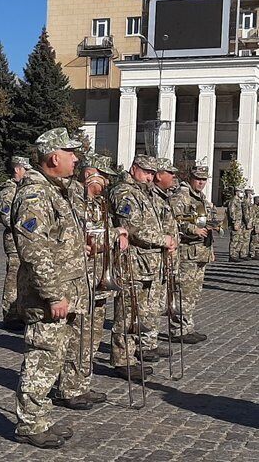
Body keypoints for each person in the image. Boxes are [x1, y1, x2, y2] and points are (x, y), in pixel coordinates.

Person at [10, 128, 85, 449]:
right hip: (46, 296)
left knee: (53, 358)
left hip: (65, 291)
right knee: (41, 357)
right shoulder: (35, 195)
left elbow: (57, 239)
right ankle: (29, 423)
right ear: (54, 158)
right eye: (71, 153)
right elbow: (34, 249)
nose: (77, 158)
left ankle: (40, 417)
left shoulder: (57, 191)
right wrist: (53, 294)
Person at [56, 152, 122, 411]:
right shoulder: (76, 199)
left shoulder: (96, 203)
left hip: (98, 276)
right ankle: (69, 386)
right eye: (103, 177)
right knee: (78, 335)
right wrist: (117, 234)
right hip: (82, 275)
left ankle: (82, 381)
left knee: (92, 335)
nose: (106, 183)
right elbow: (88, 239)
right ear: (90, 173)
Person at [108, 154, 176, 379]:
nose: (149, 177)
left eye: (152, 173)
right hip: (132, 264)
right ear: (134, 168)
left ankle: (133, 353)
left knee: (141, 314)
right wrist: (162, 239)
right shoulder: (124, 192)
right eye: (146, 172)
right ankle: (123, 359)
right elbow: (133, 227)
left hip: (148, 264)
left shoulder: (143, 193)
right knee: (127, 313)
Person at [168, 164, 215, 344]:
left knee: (193, 293)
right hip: (187, 253)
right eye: (198, 179)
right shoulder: (182, 195)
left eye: (204, 179)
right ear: (191, 178)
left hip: (200, 252)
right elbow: (173, 219)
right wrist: (192, 229)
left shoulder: (199, 197)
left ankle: (187, 326)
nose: (201, 182)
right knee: (184, 292)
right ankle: (178, 329)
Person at [0, 156, 32, 331]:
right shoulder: (8, 192)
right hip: (14, 241)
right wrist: (26, 225)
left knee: (24, 278)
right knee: (13, 277)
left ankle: (22, 311)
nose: (28, 173)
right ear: (17, 169)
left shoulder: (23, 189)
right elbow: (6, 218)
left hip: (25, 241)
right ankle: (10, 314)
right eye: (26, 169)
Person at [150, 158, 181, 359]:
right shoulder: (152, 196)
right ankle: (146, 342)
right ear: (159, 175)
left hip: (165, 255)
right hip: (152, 257)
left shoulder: (165, 196)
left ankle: (150, 340)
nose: (174, 177)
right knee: (151, 304)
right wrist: (165, 241)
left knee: (158, 302)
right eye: (170, 173)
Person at [227, 189, 247, 262]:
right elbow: (231, 212)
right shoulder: (233, 200)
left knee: (239, 238)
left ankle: (237, 254)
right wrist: (234, 222)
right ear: (236, 192)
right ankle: (232, 255)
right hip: (235, 222)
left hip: (239, 222)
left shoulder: (238, 200)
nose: (241, 193)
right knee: (234, 239)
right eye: (240, 192)